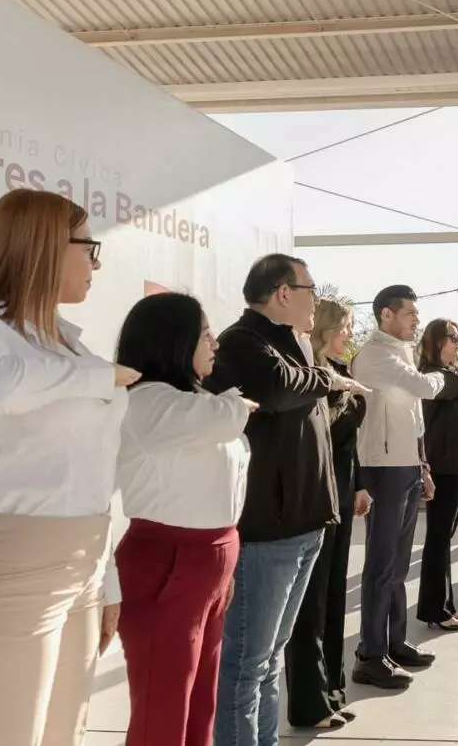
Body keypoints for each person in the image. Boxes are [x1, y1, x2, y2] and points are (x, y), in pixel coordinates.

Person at [0, 190, 139, 746]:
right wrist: (101, 378)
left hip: (82, 557)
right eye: (89, 247)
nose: (96, 263)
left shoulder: (68, 343)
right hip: (9, 554)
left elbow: (92, 473)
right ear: (42, 246)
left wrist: (105, 577)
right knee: (2, 731)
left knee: (64, 731)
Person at [204, 254, 358, 745]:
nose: (317, 300)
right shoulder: (243, 341)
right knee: (247, 667)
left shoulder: (291, 343)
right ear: (283, 293)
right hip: (267, 532)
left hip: (303, 523)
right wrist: (326, 379)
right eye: (311, 290)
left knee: (269, 662)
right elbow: (275, 388)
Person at [113, 293, 254, 746]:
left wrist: (224, 567)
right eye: (204, 333)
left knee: (197, 709)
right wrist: (238, 403)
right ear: (174, 341)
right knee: (164, 709)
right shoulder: (149, 401)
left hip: (207, 562)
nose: (215, 342)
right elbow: (226, 416)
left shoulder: (189, 398)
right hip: (168, 561)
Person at [285, 298, 373, 729]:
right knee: (311, 603)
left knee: (334, 595)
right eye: (345, 328)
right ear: (323, 328)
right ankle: (309, 700)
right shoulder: (308, 376)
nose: (349, 336)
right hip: (316, 497)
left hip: (341, 489)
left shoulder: (341, 373)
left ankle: (332, 690)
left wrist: (358, 486)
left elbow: (346, 442)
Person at [350, 285, 444, 686]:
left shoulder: (400, 356)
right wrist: (441, 375)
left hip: (405, 467)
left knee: (400, 563)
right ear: (386, 315)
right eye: (409, 314)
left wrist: (422, 466)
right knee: (381, 565)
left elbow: (415, 420)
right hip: (383, 469)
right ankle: (371, 654)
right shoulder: (375, 356)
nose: (416, 321)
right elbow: (426, 388)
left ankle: (394, 642)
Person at [416, 319, 458, 631]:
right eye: (451, 337)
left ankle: (444, 607)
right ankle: (435, 610)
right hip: (440, 467)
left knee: (443, 539)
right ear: (437, 341)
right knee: (438, 539)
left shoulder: (449, 374)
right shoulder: (431, 376)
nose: (457, 342)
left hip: (456, 465)